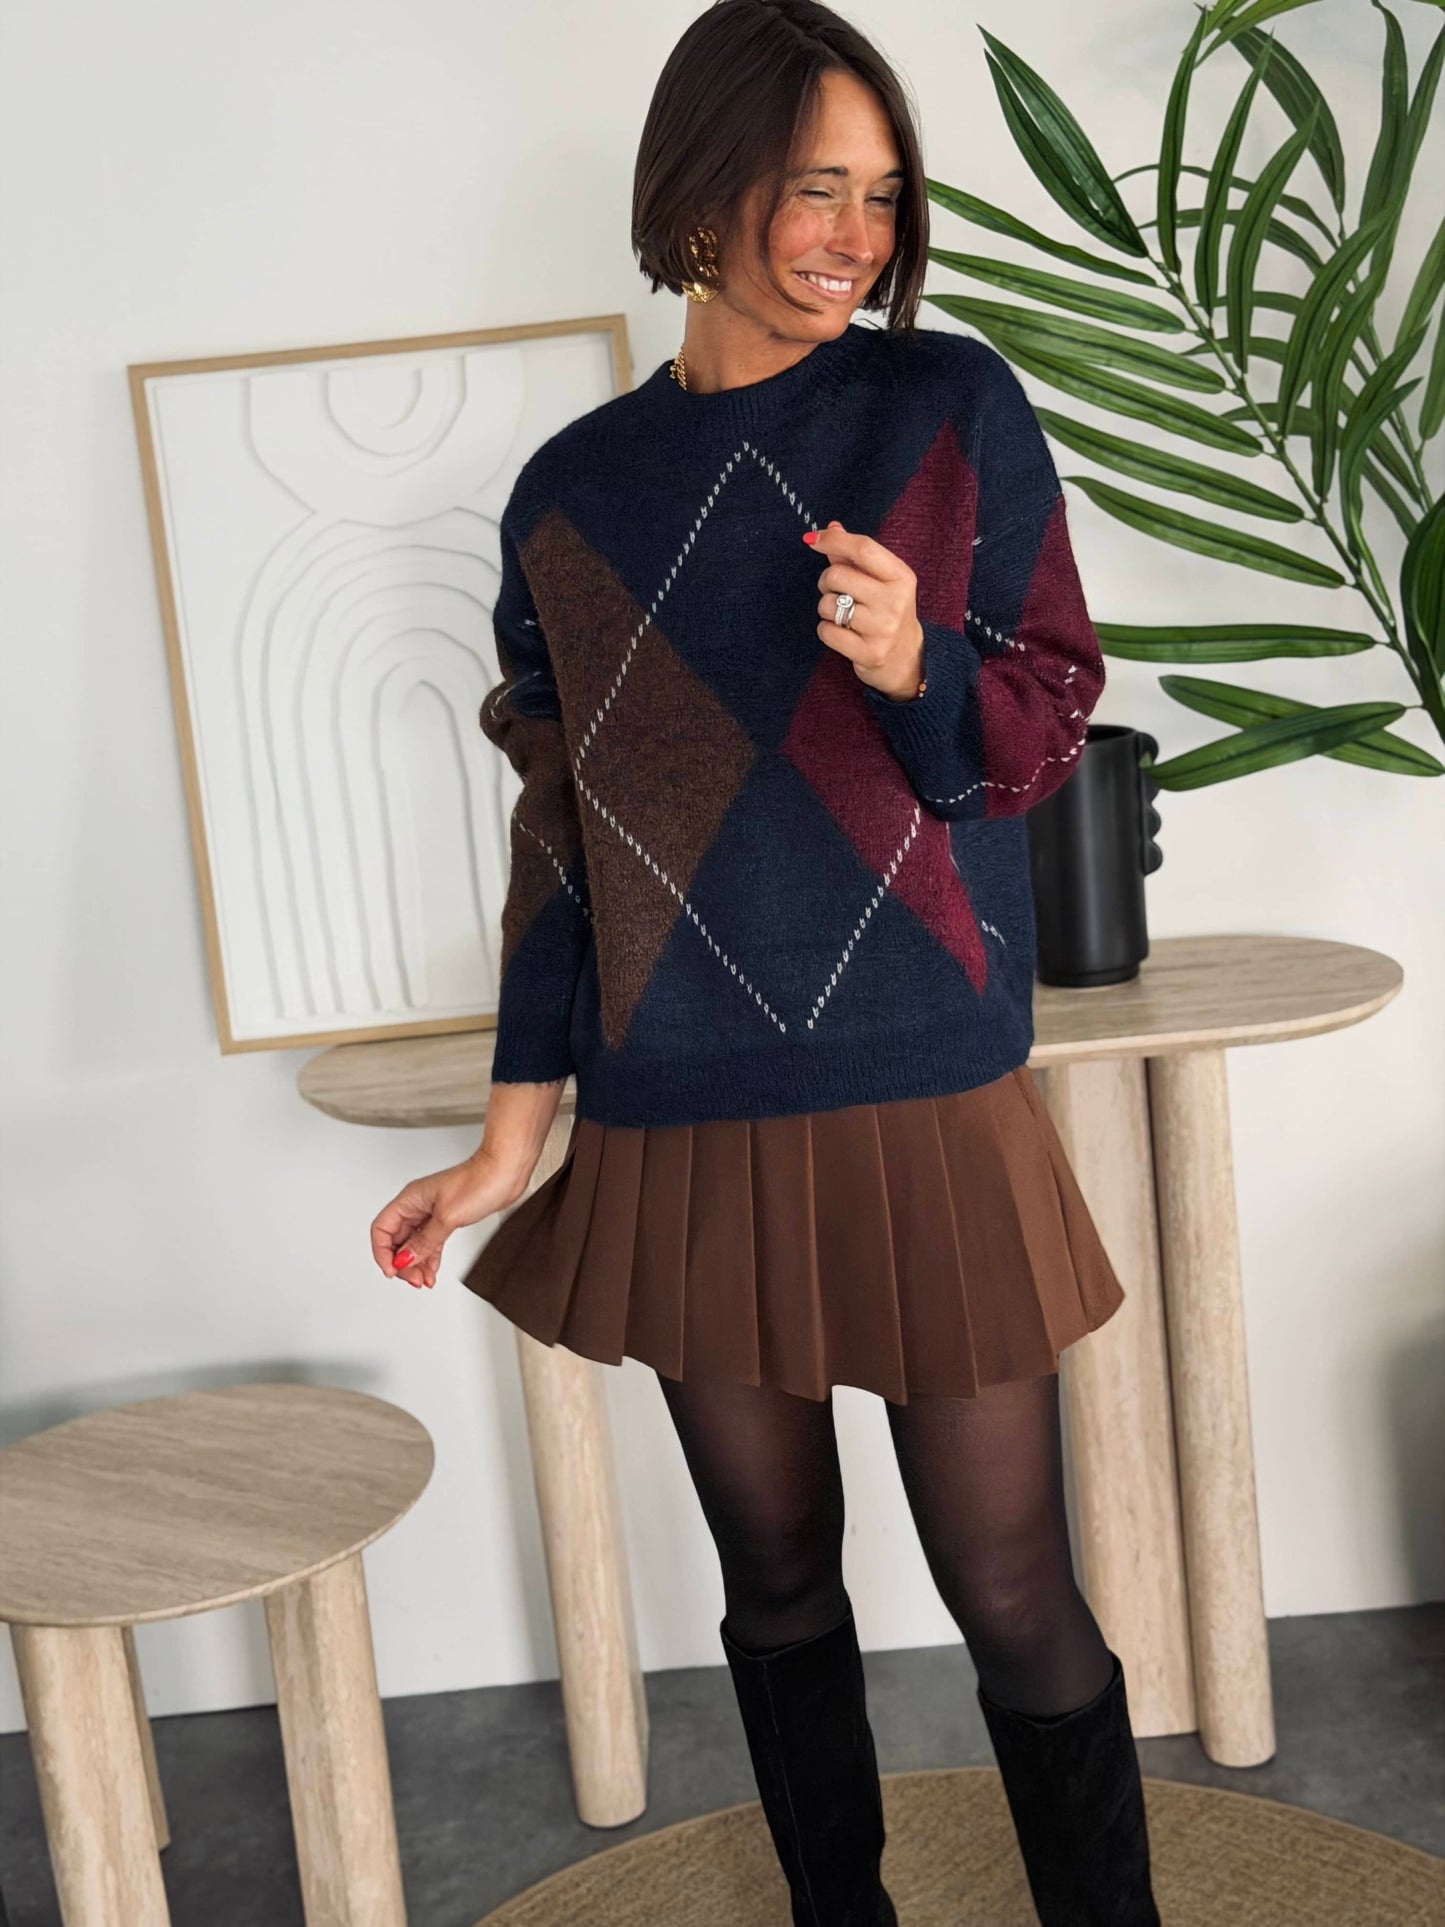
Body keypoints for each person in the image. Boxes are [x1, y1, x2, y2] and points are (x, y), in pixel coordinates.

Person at [370, 2, 1161, 1920]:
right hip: (683, 1111)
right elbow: (561, 846)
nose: (854, 237)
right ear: (698, 190)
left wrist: (913, 665)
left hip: (922, 1083)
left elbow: (1039, 725)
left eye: (882, 196)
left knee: (1010, 1588)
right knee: (779, 1584)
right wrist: (507, 1142)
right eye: (817, 187)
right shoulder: (570, 494)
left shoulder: (943, 407)